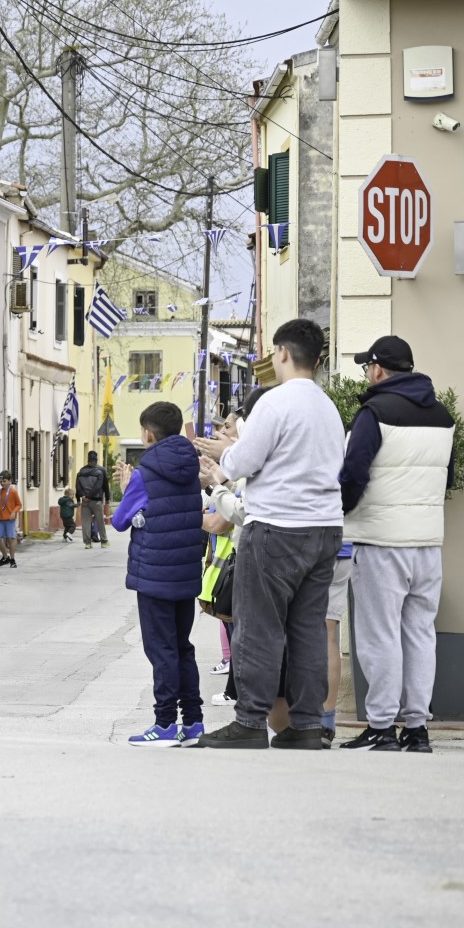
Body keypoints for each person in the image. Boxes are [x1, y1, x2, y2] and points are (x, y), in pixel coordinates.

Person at [193, 318, 344, 750]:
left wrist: (224, 457)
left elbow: (242, 462)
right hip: (325, 527)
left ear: (282, 352)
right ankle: (308, 724)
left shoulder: (275, 403)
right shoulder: (328, 407)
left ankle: (250, 721)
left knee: (259, 628)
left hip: (278, 526)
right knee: (309, 629)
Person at [336, 336, 457, 755]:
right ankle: (417, 729)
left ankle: (382, 726)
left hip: (381, 539)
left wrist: (343, 510)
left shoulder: (374, 413)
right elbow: (446, 476)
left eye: (366, 367)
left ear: (378, 369)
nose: (366, 374)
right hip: (428, 541)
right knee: (421, 634)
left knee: (379, 635)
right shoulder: (442, 415)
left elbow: (353, 474)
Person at [116, 402, 207, 747]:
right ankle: (193, 721)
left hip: (154, 575)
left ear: (148, 434)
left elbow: (121, 520)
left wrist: (127, 488)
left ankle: (165, 722)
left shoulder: (144, 474)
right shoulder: (190, 469)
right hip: (186, 572)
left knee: (162, 650)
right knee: (182, 647)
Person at [75, 451, 110, 548]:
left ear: (88, 459)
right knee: (100, 521)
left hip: (85, 501)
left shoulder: (81, 472)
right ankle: (104, 541)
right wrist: (107, 498)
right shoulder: (101, 471)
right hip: (96, 500)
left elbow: (78, 487)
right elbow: (100, 486)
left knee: (85, 522)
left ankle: (87, 543)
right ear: (96, 459)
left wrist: (81, 497)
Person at [0, 470, 22, 567]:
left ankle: (12, 560)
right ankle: (5, 557)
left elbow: (19, 504)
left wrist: (13, 512)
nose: (2, 483)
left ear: (10, 481)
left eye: (4, 481)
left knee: (10, 539)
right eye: (1, 481)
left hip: (9, 519)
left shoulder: (13, 491)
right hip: (0, 519)